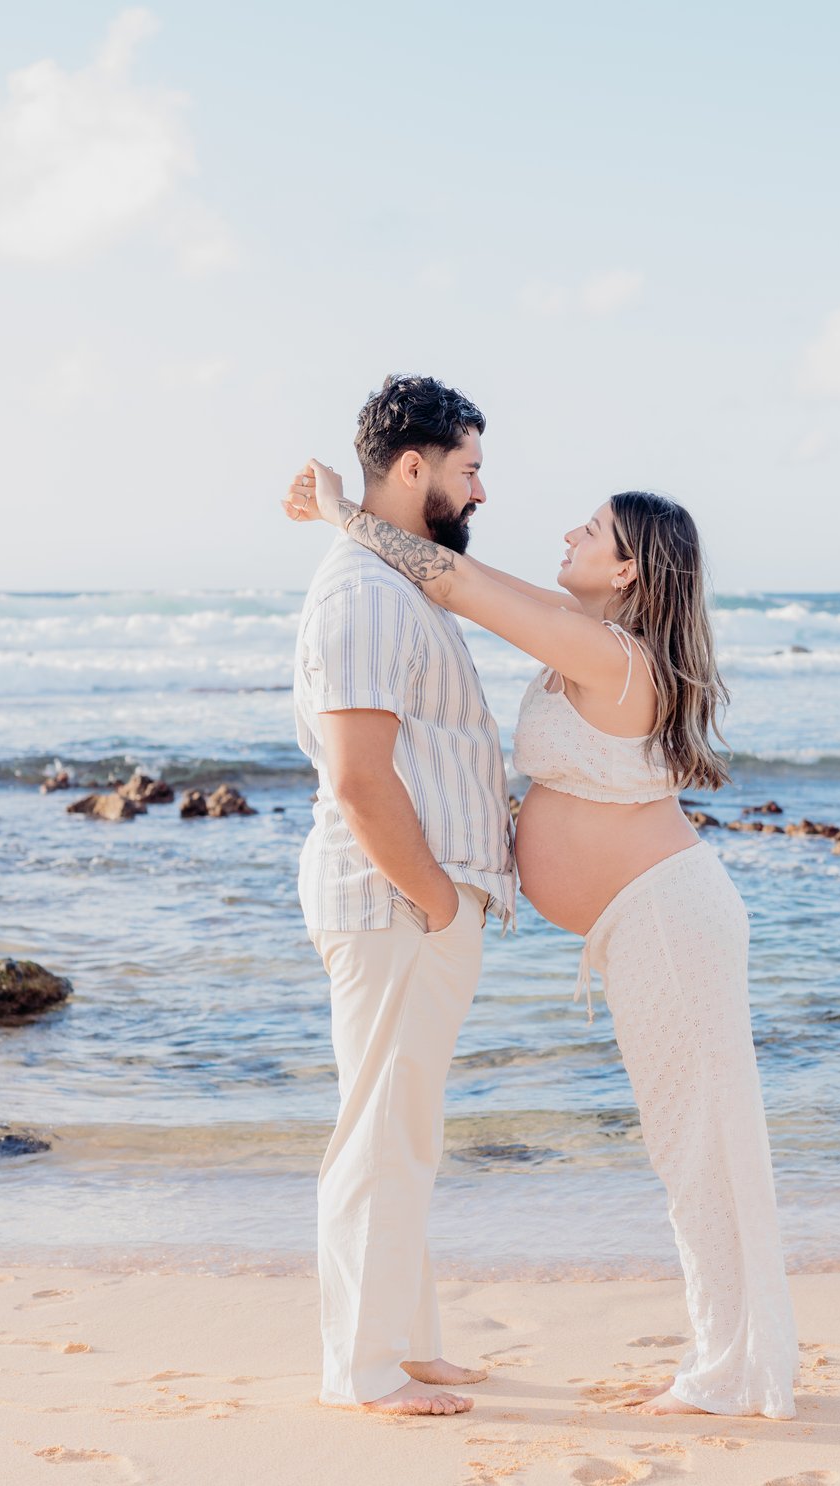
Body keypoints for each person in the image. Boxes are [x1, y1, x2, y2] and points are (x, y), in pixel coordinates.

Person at [284, 457, 798, 1418]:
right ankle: (726, 1356)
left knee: (703, 1146)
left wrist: (337, 511)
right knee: (686, 1142)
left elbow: (457, 581)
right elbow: (467, 581)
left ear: (630, 569)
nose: (567, 536)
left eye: (590, 529)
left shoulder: (615, 659)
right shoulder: (589, 637)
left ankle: (728, 1370)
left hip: (666, 917)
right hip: (643, 919)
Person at [290, 376, 515, 1416]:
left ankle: (405, 1340)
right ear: (413, 467)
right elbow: (357, 773)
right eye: (467, 469)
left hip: (413, 902)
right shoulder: (362, 593)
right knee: (379, 1130)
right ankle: (362, 1367)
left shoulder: (392, 579)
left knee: (404, 1123)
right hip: (393, 903)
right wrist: (432, 897)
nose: (480, 490)